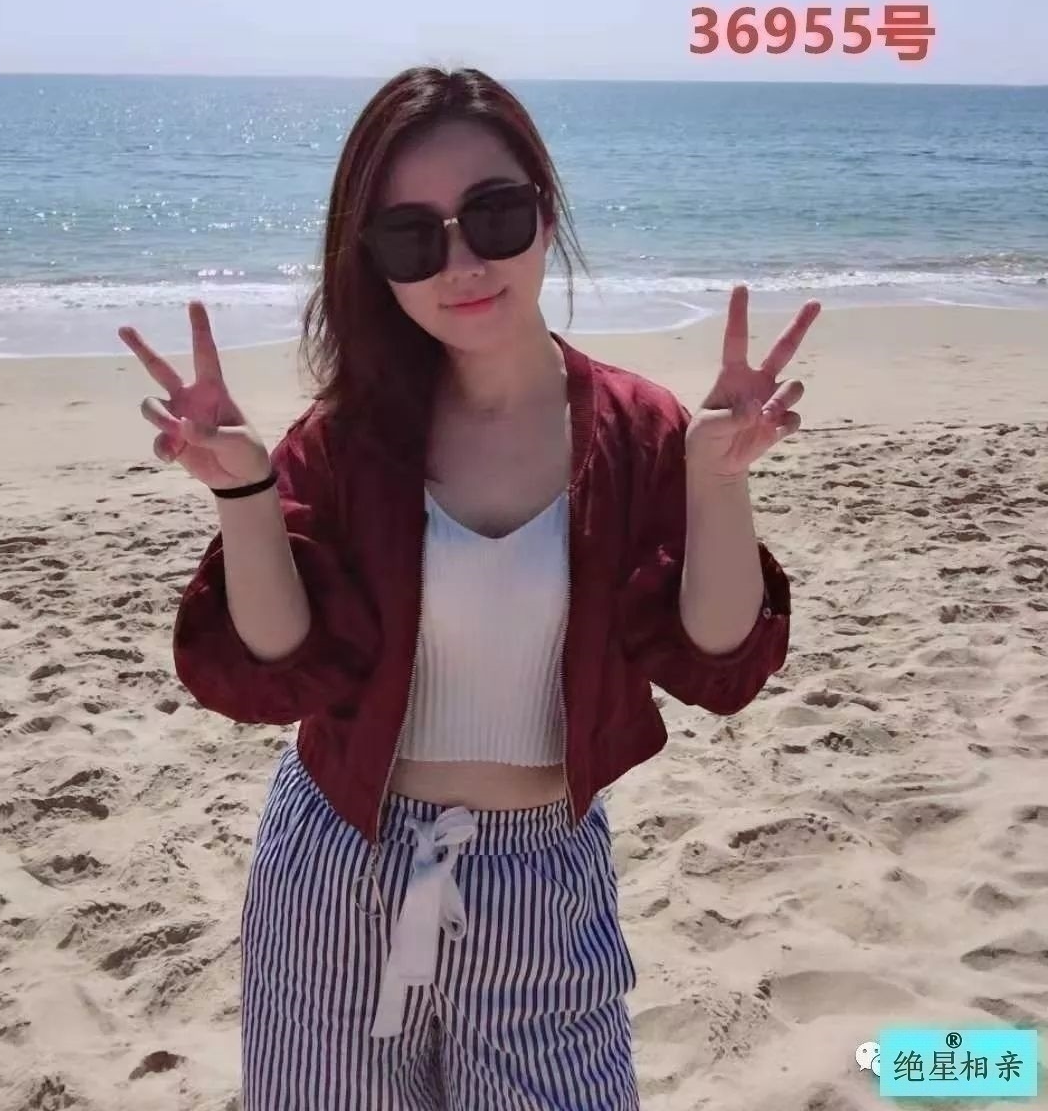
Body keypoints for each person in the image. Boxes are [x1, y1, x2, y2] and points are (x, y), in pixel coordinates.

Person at [118, 66, 819, 1110]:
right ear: (374, 265)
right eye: (412, 238)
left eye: (494, 215)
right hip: (339, 868)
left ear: (546, 213)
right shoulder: (346, 439)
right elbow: (277, 664)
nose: (462, 264)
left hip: (543, 884)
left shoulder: (640, 431)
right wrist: (246, 492)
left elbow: (718, 660)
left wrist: (718, 482)